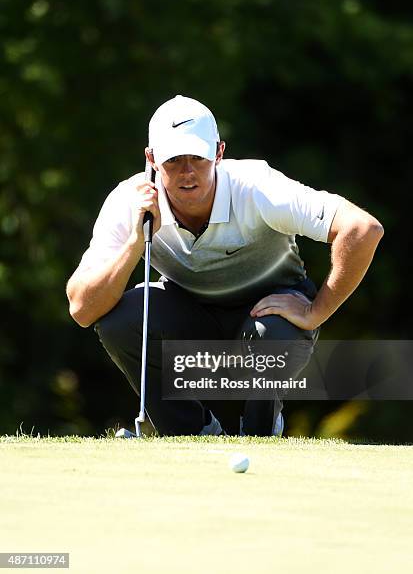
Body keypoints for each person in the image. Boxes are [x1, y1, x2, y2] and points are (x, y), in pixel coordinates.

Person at [66, 95, 384, 436]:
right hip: (189, 315)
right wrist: (135, 241)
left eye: (198, 158)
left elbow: (363, 229)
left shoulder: (257, 187)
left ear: (218, 153)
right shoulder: (131, 201)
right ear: (152, 159)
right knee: (122, 319)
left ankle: (262, 431)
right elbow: (83, 309)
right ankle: (189, 433)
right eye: (173, 160)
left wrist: (316, 311)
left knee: (273, 334)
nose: (187, 172)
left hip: (268, 316)